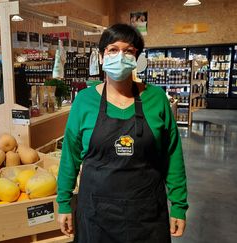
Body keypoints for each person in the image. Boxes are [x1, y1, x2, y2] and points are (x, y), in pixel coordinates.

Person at [56, 23, 188, 242]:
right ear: (101, 57)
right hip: (96, 215)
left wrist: (179, 205)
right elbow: (69, 155)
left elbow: (172, 155)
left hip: (146, 215)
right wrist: (64, 203)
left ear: (136, 58)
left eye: (128, 51)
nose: (120, 56)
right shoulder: (84, 101)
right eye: (113, 49)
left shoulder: (156, 99)